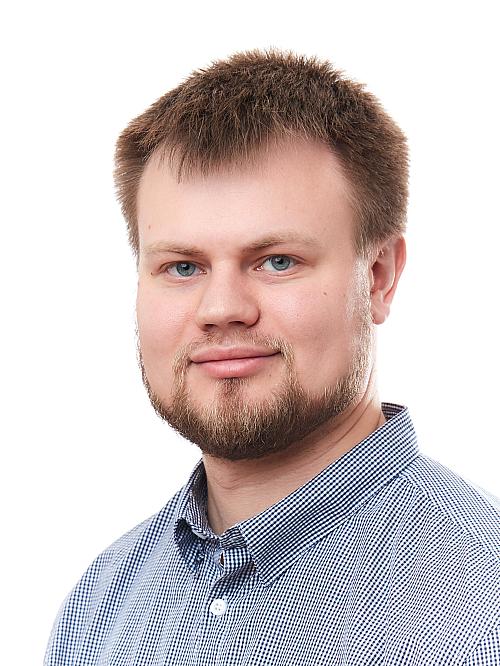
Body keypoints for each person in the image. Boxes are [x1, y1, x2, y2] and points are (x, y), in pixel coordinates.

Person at [45, 49, 500, 665]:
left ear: (379, 277)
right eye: (182, 267)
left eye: (276, 261)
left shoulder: (483, 605)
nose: (221, 308)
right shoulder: (99, 606)